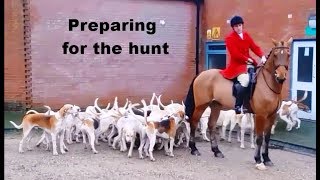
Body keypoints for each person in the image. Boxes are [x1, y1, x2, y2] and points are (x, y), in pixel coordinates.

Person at [220, 15, 267, 114]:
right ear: (233, 27)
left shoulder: (246, 35)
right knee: (245, 80)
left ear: (242, 25)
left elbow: (255, 47)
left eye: (240, 25)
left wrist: (262, 56)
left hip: (249, 64)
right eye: (236, 26)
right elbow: (235, 54)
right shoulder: (229, 38)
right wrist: (248, 59)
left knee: (258, 77)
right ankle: (238, 105)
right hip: (237, 66)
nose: (238, 28)